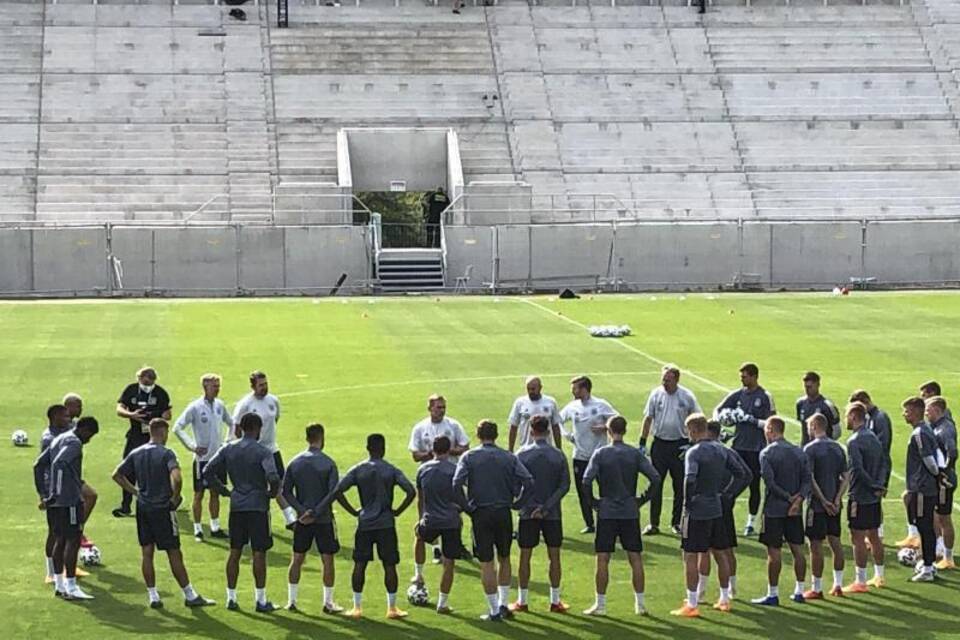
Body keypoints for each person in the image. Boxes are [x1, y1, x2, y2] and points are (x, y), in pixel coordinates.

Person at [111, 419, 215, 609]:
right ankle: (189, 595)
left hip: (143, 508)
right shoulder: (166, 453)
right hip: (162, 509)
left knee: (147, 553)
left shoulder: (137, 453)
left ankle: (153, 595)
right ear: (163, 432)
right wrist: (175, 497)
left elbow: (116, 474)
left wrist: (135, 492)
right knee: (173, 552)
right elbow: (176, 477)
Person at [322, 433, 416, 620]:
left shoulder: (359, 469)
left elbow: (337, 491)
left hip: (365, 523)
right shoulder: (391, 470)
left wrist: (352, 511)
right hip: (386, 524)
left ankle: (357, 607)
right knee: (390, 565)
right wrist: (397, 511)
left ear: (368, 448)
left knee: (360, 564)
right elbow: (411, 491)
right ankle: (392, 608)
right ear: (383, 448)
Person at [453, 419, 534, 622]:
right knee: (505, 557)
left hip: (481, 512)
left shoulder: (469, 456)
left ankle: (493, 609)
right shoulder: (508, 457)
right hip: (503, 512)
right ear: (496, 435)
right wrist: (518, 503)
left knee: (486, 562)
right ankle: (503, 604)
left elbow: (456, 484)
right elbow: (528, 481)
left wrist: (468, 508)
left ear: (478, 435)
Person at [670, 414, 749, 618]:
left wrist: (687, 503)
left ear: (695, 429)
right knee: (720, 552)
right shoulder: (721, 450)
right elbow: (741, 473)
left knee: (690, 555)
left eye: (688, 430)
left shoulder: (694, 453)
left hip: (698, 510)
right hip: (716, 507)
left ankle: (693, 602)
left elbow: (690, 479)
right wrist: (727, 494)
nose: (688, 434)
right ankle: (724, 598)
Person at [582, 415, 660, 617]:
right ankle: (640, 604)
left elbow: (586, 480)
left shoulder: (601, 454)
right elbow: (655, 478)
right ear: (624, 430)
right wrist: (641, 499)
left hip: (607, 511)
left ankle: (600, 604)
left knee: (602, 558)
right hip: (629, 511)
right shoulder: (633, 454)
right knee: (635, 557)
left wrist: (594, 503)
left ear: (608, 431)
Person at [203, 413, 281, 612]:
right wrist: (271, 494)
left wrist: (223, 490)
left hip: (237, 505)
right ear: (257, 428)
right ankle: (261, 599)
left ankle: (231, 597)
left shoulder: (229, 448)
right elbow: (273, 476)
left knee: (235, 552)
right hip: (257, 507)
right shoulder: (263, 452)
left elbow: (207, 471)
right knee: (259, 553)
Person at [33, 417, 100, 601]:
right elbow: (59, 463)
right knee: (72, 540)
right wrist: (57, 492)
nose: (89, 440)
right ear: (85, 430)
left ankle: (59, 584)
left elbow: (38, 464)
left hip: (55, 502)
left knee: (59, 540)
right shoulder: (74, 443)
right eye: (90, 436)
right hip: (69, 500)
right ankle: (71, 585)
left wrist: (44, 492)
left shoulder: (58, 438)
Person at [281, 423, 343, 614]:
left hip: (302, 520)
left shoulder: (295, 462)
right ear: (321, 437)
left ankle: (291, 601)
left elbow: (285, 492)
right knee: (328, 560)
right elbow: (333, 493)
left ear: (307, 438)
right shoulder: (328, 463)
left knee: (297, 558)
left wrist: (301, 511)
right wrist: (316, 512)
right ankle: (328, 602)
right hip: (323, 519)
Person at [512, 415, 571, 614]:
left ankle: (522, 600)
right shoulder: (558, 455)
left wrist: (525, 506)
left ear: (530, 430)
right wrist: (546, 507)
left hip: (528, 513)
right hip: (552, 513)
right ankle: (555, 601)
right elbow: (564, 486)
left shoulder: (522, 454)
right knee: (554, 556)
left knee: (525, 556)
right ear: (547, 431)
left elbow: (516, 484)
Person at [751, 416, 810, 606]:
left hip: (774, 509)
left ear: (770, 429)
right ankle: (800, 591)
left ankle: (773, 593)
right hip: (795, 511)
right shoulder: (799, 452)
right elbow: (807, 480)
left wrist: (787, 498)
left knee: (773, 552)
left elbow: (770, 482)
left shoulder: (767, 453)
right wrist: (798, 499)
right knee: (797, 550)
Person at [409, 394, 469, 579]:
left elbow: (464, 447)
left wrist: (449, 451)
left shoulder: (453, 425)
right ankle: (436, 548)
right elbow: (415, 454)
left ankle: (455, 545)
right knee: (430, 512)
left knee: (455, 511)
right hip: (430, 476)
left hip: (452, 475)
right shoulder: (420, 428)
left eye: (443, 407)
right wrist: (432, 454)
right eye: (438, 407)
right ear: (430, 409)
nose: (442, 410)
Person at [714, 362, 776, 536]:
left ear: (754, 376)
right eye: (741, 376)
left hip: (756, 448)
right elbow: (717, 411)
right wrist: (724, 420)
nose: (742, 379)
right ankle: (726, 518)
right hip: (738, 447)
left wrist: (751, 420)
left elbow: (772, 423)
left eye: (745, 376)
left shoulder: (764, 396)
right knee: (730, 483)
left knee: (754, 485)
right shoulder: (737, 395)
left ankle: (751, 522)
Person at [639, 364, 701, 535]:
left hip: (679, 444)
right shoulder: (656, 394)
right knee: (656, 482)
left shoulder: (687, 396)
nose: (664, 383)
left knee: (679, 485)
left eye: (668, 380)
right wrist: (642, 442)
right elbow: (648, 418)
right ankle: (653, 523)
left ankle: (677, 522)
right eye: (663, 379)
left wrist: (692, 443)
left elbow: (698, 418)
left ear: (676, 380)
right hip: (659, 444)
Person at [173, 373, 233, 541]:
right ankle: (198, 528)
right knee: (199, 493)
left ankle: (215, 527)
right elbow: (177, 427)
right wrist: (192, 446)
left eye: (218, 386)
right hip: (202, 459)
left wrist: (227, 441)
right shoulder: (195, 407)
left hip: (218, 458)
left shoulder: (220, 405)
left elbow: (232, 422)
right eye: (215, 386)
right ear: (205, 387)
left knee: (216, 492)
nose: (217, 389)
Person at [233, 371, 297, 528]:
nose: (264, 387)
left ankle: (290, 519)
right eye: (261, 385)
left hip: (272, 449)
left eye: (266, 384)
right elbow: (237, 427)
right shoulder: (245, 404)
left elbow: (276, 419)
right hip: (255, 452)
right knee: (258, 486)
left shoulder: (273, 400)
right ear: (253, 386)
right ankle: (259, 518)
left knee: (280, 484)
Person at [414, 435, 468, 614]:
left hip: (431, 519)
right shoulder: (455, 470)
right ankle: (442, 603)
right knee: (449, 562)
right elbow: (461, 499)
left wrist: (421, 517)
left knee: (419, 537)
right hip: (451, 521)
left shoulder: (423, 470)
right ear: (449, 449)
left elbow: (420, 498)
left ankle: (418, 573)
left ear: (433, 450)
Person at [700, 419, 752, 600]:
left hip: (707, 505)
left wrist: (727, 494)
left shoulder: (704, 452)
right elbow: (747, 475)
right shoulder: (728, 452)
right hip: (723, 505)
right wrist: (730, 494)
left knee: (705, 549)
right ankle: (732, 588)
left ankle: (701, 591)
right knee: (726, 548)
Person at [559, 375, 618, 534]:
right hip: (580, 456)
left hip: (600, 455)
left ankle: (607, 520)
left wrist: (606, 427)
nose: (572, 392)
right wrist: (567, 435)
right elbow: (558, 420)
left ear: (584, 389)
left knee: (606, 489)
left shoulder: (600, 404)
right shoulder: (572, 406)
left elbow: (617, 419)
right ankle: (589, 523)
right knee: (583, 490)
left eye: (575, 388)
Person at [842, 402, 889, 593]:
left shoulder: (854, 441)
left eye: (847, 415)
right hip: (874, 497)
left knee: (858, 538)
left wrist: (872, 485)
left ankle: (860, 580)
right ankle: (879, 575)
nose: (846, 419)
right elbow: (883, 463)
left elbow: (858, 470)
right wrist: (880, 486)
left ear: (854, 416)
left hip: (860, 496)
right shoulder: (873, 438)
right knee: (874, 536)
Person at [114, 367, 172, 518]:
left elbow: (168, 414)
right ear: (139, 379)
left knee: (159, 469)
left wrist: (155, 419)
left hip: (153, 436)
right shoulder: (131, 390)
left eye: (150, 382)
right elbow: (119, 408)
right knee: (128, 470)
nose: (147, 385)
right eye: (145, 381)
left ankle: (166, 498)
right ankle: (126, 505)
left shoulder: (160, 393)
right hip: (135, 435)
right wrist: (132, 415)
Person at [802, 413, 848, 599]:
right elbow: (846, 476)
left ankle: (817, 587)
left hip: (817, 506)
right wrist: (836, 499)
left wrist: (823, 500)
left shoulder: (810, 449)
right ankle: (838, 585)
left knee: (815, 546)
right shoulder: (838, 448)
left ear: (814, 426)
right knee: (836, 542)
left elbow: (810, 478)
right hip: (835, 505)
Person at [901, 396, 942, 582]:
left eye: (907, 411)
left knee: (924, 527)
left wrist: (935, 474)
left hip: (921, 489)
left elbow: (930, 461)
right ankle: (929, 565)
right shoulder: (925, 430)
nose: (904, 414)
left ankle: (927, 568)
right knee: (925, 527)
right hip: (926, 488)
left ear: (917, 411)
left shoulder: (919, 433)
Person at [849, 389, 893, 540]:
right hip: (872, 464)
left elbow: (883, 447)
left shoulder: (880, 418)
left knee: (875, 496)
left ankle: (877, 532)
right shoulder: (869, 419)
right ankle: (874, 532)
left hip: (878, 465)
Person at [39, 405, 75, 584]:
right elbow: (44, 465)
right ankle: (51, 571)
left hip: (68, 484)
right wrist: (44, 494)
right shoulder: (50, 438)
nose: (68, 418)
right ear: (54, 417)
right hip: (54, 488)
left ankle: (61, 568)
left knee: (90, 496)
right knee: (54, 531)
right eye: (65, 415)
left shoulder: (65, 430)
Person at [924, 396, 957, 571]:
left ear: (936, 410)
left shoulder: (945, 429)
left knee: (944, 517)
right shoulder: (937, 427)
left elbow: (952, 452)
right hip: (940, 480)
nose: (926, 414)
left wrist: (944, 473)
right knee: (937, 515)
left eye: (928, 410)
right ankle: (940, 550)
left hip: (945, 482)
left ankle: (948, 557)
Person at [63, 393, 98, 551]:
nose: (81, 409)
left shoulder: (75, 424)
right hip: (65, 479)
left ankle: (78, 530)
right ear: (68, 407)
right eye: (78, 406)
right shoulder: (63, 427)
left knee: (90, 496)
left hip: (73, 476)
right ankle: (76, 533)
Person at [508, 376, 563, 452]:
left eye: (533, 389)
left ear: (540, 388)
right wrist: (510, 450)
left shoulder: (550, 402)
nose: (530, 391)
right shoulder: (520, 403)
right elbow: (513, 427)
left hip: (546, 449)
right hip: (525, 449)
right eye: (528, 389)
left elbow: (555, 427)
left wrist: (559, 449)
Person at [796, 372, 841, 444]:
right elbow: (803, 428)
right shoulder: (800, 403)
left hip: (823, 449)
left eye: (810, 387)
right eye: (806, 387)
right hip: (806, 449)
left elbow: (837, 432)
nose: (807, 390)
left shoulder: (827, 406)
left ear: (818, 385)